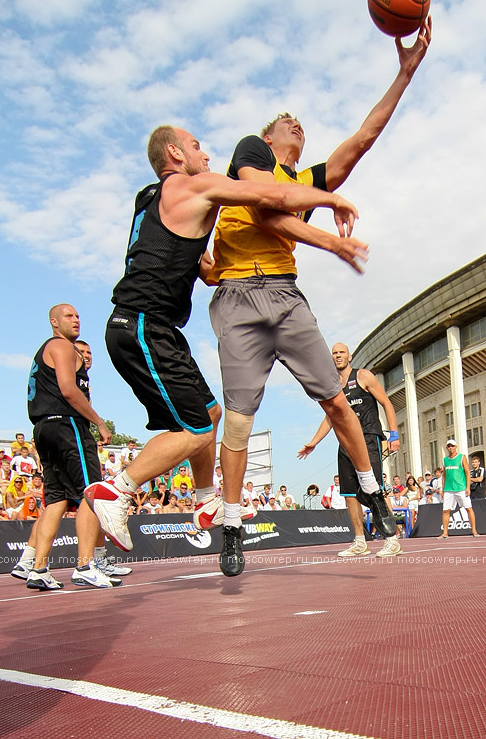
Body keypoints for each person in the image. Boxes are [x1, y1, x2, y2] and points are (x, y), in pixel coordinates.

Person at [198, 21, 431, 573]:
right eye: (286, 121)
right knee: (238, 417)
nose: (295, 123)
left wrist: (404, 73)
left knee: (336, 398)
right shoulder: (252, 155)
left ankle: (373, 492)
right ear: (269, 135)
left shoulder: (307, 179)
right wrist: (327, 221)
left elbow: (362, 139)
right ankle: (231, 521)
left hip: (284, 294)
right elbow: (267, 207)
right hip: (237, 296)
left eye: (300, 123)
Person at [84, 124, 362, 577]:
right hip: (141, 324)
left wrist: (206, 266)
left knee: (211, 414)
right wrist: (332, 199)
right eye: (196, 146)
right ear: (174, 153)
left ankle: (205, 499)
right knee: (194, 431)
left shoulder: (151, 200)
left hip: (155, 327)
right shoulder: (196, 184)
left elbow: (188, 263)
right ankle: (116, 489)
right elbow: (272, 198)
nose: (206, 154)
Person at [22, 304, 122, 590]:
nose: (76, 319)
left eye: (78, 315)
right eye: (69, 316)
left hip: (43, 427)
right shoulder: (62, 347)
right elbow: (68, 389)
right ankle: (85, 565)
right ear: (54, 322)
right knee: (91, 493)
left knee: (56, 499)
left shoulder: (45, 351)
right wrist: (100, 424)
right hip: (66, 425)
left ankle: (38, 568)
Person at [299, 342, 400, 557]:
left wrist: (394, 434)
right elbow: (330, 418)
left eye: (341, 352)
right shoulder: (333, 385)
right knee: (349, 494)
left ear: (350, 356)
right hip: (345, 442)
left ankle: (392, 539)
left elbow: (387, 403)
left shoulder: (363, 376)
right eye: (334, 353)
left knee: (374, 490)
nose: (337, 356)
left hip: (368, 437)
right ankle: (360, 542)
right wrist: (313, 442)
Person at [438, 439, 479, 539]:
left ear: (456, 446)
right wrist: (442, 490)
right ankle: (445, 533)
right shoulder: (445, 460)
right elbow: (444, 476)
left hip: (461, 488)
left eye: (452, 446)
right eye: (448, 446)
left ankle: (474, 530)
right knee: (446, 510)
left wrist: (468, 487)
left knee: (468, 508)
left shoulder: (461, 457)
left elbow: (467, 472)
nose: (450, 448)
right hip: (448, 489)